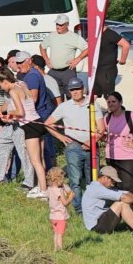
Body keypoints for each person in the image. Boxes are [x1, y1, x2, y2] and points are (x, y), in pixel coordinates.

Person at [45, 77, 103, 212]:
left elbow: (101, 129)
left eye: (77, 89)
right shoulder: (64, 107)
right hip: (73, 146)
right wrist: (60, 137)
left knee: (93, 180)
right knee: (75, 180)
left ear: (83, 89)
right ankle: (78, 208)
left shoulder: (93, 105)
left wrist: (92, 142)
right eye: (72, 90)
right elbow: (47, 124)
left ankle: (92, 207)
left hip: (92, 146)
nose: (75, 92)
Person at [0, 66, 48, 198]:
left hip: (29, 126)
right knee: (40, 159)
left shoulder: (12, 91)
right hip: (38, 121)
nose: (1, 88)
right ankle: (41, 186)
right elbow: (27, 107)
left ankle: (43, 191)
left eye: (0, 85)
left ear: (4, 81)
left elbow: (20, 112)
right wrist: (10, 116)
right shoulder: (22, 84)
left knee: (35, 161)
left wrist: (8, 113)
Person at [103, 91, 133, 197]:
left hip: (126, 156)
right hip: (110, 156)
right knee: (115, 186)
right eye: (109, 102)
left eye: (113, 101)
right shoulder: (107, 117)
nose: (110, 104)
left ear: (120, 102)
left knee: (128, 186)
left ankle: (132, 209)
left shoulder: (129, 115)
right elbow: (105, 136)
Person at [81, 166, 133, 235]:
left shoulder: (102, 187)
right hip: (96, 227)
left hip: (101, 221)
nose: (113, 184)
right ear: (105, 177)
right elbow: (124, 198)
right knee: (122, 203)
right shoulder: (97, 188)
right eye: (113, 180)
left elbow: (126, 193)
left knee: (125, 200)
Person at [39, 13, 87, 98]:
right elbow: (42, 46)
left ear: (67, 24)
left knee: (71, 98)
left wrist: (77, 59)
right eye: (57, 24)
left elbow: (88, 49)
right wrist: (46, 59)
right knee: (54, 97)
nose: (58, 26)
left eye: (61, 25)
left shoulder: (74, 37)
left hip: (68, 72)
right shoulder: (52, 35)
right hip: (53, 72)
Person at [92, 23, 131, 98]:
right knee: (94, 94)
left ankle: (111, 110)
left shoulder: (110, 33)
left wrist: (122, 61)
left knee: (109, 96)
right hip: (97, 70)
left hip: (107, 71)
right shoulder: (96, 34)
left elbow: (126, 45)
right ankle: (91, 110)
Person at [46, 166, 74, 251]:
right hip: (60, 216)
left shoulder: (50, 189)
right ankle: (60, 250)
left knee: (56, 233)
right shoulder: (59, 191)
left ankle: (55, 249)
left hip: (52, 215)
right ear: (58, 179)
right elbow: (65, 203)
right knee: (60, 234)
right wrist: (71, 197)